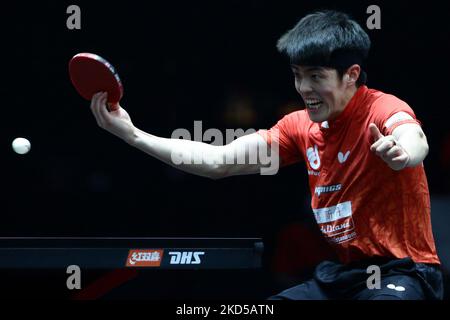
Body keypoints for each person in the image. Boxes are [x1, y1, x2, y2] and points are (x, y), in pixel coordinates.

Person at [89, 10, 443, 299]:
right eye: (298, 76)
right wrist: (133, 135)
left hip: (405, 273)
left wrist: (403, 153)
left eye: (316, 76)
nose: (305, 89)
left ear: (351, 75)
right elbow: (219, 162)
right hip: (343, 277)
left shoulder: (381, 109)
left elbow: (413, 136)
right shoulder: (298, 126)